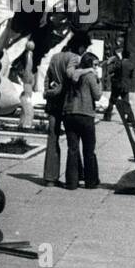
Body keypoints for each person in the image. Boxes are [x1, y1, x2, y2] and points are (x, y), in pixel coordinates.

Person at [42, 31, 92, 185]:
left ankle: (50, 177)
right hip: (68, 103)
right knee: (74, 142)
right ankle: (76, 175)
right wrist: (87, 70)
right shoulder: (74, 58)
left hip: (53, 103)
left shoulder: (55, 57)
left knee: (52, 138)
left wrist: (49, 93)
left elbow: (47, 78)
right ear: (81, 46)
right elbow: (72, 74)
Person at [63, 51, 102, 189]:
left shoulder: (72, 74)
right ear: (90, 64)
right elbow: (97, 96)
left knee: (72, 149)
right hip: (85, 115)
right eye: (95, 64)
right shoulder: (91, 76)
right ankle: (91, 181)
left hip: (69, 113)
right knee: (89, 150)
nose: (96, 68)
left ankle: (71, 182)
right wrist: (99, 79)